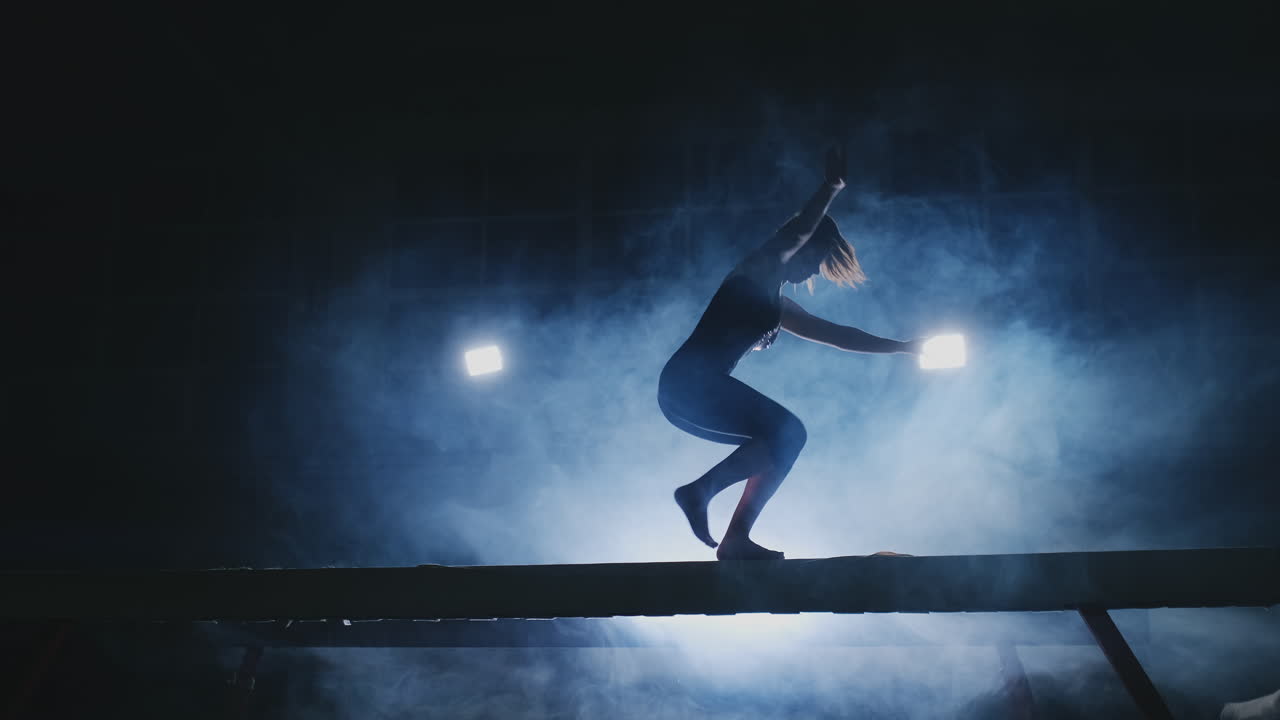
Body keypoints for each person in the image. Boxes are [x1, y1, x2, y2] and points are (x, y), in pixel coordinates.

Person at [658, 146, 923, 561]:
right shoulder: (759, 268)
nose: (816, 270)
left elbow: (837, 334)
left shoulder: (776, 304)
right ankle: (702, 493)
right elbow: (799, 229)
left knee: (782, 440)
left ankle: (734, 539)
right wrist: (831, 187)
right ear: (801, 246)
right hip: (690, 384)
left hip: (687, 393)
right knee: (788, 432)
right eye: (817, 257)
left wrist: (903, 348)